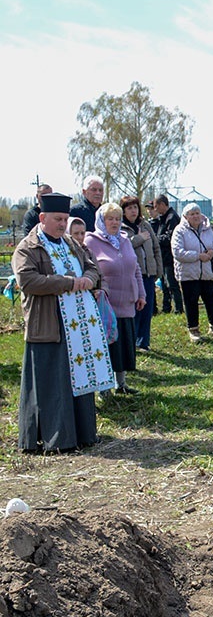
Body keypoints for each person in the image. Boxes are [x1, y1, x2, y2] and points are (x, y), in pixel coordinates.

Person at [13, 193, 111, 451]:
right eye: (57, 219)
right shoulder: (28, 247)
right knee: (51, 384)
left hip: (78, 327)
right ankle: (55, 439)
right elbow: (28, 281)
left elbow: (92, 267)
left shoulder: (70, 243)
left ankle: (80, 434)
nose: (62, 224)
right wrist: (68, 283)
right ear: (42, 218)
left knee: (76, 380)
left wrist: (89, 279)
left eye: (65, 219)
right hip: (48, 327)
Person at [85, 203, 146, 394]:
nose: (114, 222)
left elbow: (135, 268)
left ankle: (121, 383)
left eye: (118, 219)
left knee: (123, 345)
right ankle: (104, 387)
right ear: (101, 221)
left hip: (127, 301)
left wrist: (141, 293)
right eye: (110, 218)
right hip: (106, 304)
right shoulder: (91, 241)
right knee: (106, 345)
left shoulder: (125, 240)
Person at [172, 203, 213, 343]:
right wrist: (198, 256)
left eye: (197, 213)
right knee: (191, 301)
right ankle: (193, 329)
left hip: (206, 272)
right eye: (192, 214)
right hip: (188, 274)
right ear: (185, 216)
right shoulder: (179, 231)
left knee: (211, 299)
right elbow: (178, 252)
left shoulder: (207, 229)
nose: (195, 216)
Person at [120, 196, 162, 352]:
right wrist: (139, 238)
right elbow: (123, 245)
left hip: (149, 273)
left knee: (147, 308)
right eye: (129, 208)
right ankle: (132, 341)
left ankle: (143, 342)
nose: (133, 211)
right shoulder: (121, 227)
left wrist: (158, 269)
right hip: (132, 275)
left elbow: (156, 247)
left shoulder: (145, 225)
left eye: (135, 207)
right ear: (123, 211)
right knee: (135, 308)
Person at [150, 195, 184, 315]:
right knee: (164, 284)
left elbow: (170, 238)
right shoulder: (163, 218)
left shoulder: (172, 218)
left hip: (170, 257)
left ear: (162, 204)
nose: (155, 210)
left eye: (156, 206)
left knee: (172, 284)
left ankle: (179, 308)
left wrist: (155, 239)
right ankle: (166, 307)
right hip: (163, 257)